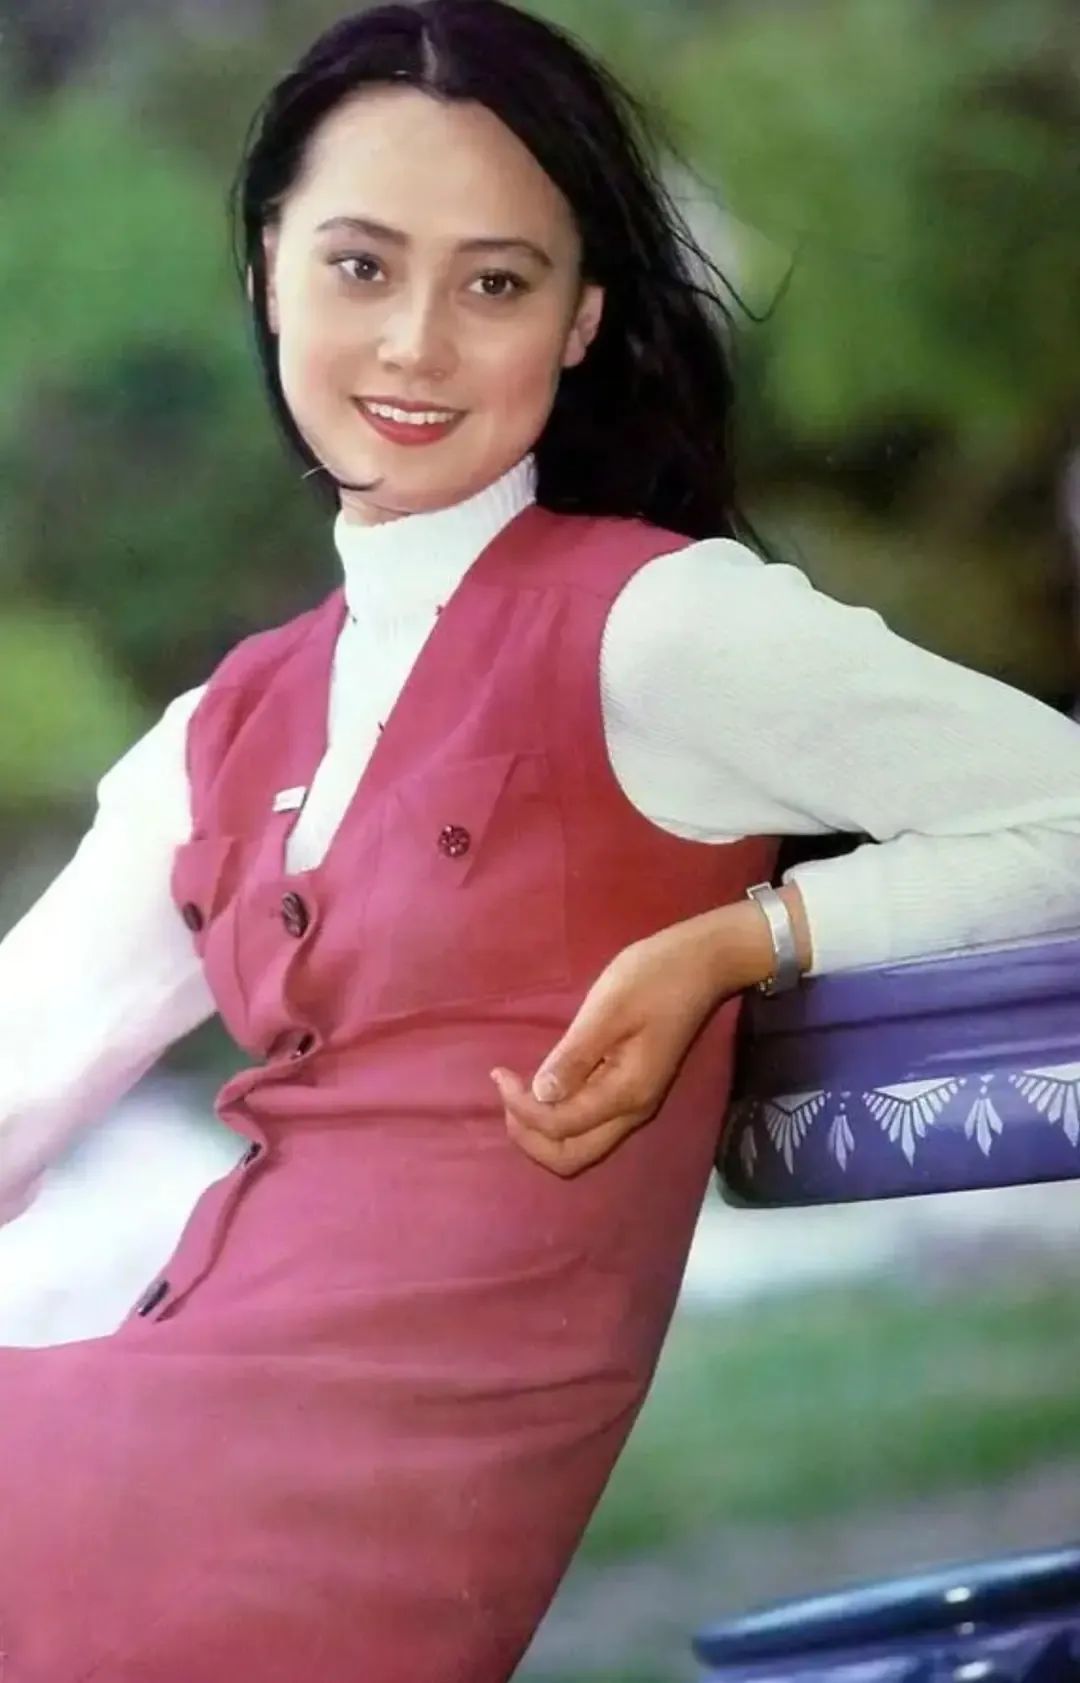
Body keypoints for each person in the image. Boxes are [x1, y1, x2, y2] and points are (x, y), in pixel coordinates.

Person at [2, 3, 1080, 1677]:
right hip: (133, 1451)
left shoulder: (659, 628)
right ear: (270, 268)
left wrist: (743, 941)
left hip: (295, 1539)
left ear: (580, 321)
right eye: (360, 266)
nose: (416, 342)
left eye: (494, 284)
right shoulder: (221, 731)